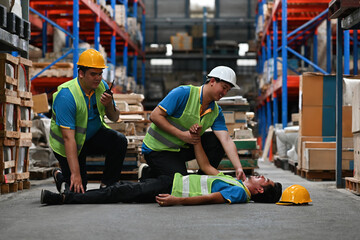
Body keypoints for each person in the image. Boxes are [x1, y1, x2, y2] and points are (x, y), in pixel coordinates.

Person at [41, 127, 282, 206]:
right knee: (128, 189)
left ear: (260, 191)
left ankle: (65, 199)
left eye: (264, 181)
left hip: (173, 188)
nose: (261, 176)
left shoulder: (240, 193)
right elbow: (206, 167)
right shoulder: (236, 183)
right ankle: (68, 191)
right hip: (174, 179)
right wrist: (196, 139)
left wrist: (178, 202)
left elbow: (210, 198)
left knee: (120, 192)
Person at [141, 66, 247, 181]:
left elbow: (226, 140)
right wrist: (182, 135)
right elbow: (155, 116)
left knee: (217, 142)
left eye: (228, 90)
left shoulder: (216, 112)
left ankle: (202, 180)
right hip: (157, 149)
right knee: (179, 183)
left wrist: (239, 168)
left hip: (180, 149)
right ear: (212, 81)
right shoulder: (183, 93)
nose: (225, 93)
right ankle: (150, 173)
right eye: (224, 87)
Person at [49, 49, 128, 193]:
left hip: (90, 137)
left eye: (100, 73)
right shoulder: (67, 96)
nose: (98, 78)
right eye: (93, 74)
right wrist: (76, 174)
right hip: (68, 145)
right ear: (81, 73)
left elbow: (115, 117)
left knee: (119, 141)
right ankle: (60, 175)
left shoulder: (102, 87)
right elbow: (68, 139)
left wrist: (109, 104)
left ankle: (108, 185)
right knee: (78, 190)